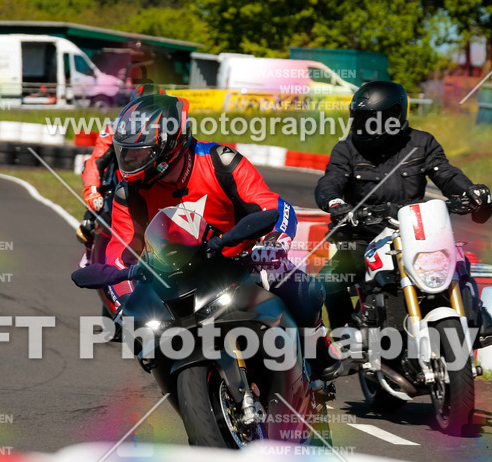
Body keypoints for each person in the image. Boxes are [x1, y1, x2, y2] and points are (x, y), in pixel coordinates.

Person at [71, 94, 341, 380]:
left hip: (243, 260)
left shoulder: (220, 161)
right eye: (125, 152)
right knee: (143, 331)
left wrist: (274, 242)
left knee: (301, 287)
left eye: (139, 152)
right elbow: (120, 252)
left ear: (168, 145)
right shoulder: (128, 193)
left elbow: (272, 205)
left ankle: (318, 349)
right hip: (175, 274)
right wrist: (125, 300)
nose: (128, 159)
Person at [314, 80, 492, 344]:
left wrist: (470, 192)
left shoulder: (421, 143)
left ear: (393, 116)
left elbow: (445, 174)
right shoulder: (347, 149)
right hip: (363, 235)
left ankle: (474, 321)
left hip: (416, 233)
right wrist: (335, 203)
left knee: (460, 264)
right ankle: (345, 341)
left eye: (370, 119)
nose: (362, 125)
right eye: (359, 118)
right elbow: (330, 181)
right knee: (331, 278)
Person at [77, 83, 166, 314]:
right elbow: (94, 163)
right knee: (98, 242)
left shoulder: (173, 131)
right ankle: (115, 306)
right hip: (118, 199)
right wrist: (92, 191)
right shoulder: (115, 128)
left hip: (160, 199)